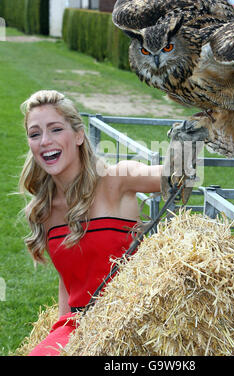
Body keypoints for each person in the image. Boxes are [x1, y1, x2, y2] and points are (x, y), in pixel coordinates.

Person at [19, 90, 163, 356]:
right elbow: (69, 280)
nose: (45, 141)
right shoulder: (45, 210)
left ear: (78, 135)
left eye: (55, 129)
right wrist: (58, 336)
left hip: (133, 326)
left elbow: (171, 177)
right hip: (80, 326)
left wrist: (186, 146)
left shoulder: (116, 179)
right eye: (35, 133)